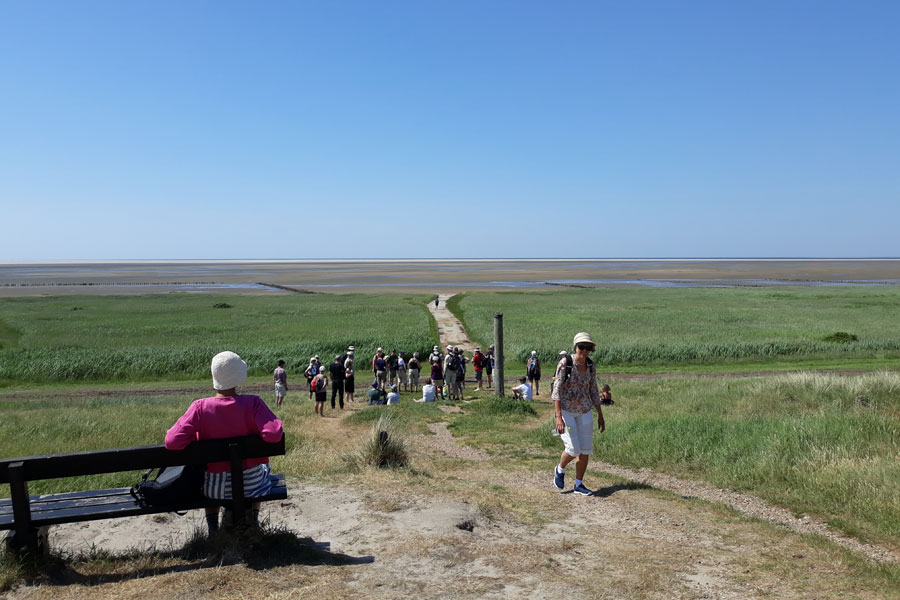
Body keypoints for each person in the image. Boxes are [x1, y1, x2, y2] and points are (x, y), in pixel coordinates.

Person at [165, 351, 283, 533]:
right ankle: (252, 520)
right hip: (252, 485)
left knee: (207, 476)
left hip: (214, 488)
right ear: (239, 376)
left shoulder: (200, 407)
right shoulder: (253, 403)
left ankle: (213, 529)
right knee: (263, 469)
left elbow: (172, 441)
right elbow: (273, 434)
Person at [552, 332, 605, 496]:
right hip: (567, 411)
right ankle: (560, 469)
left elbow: (593, 389)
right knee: (573, 449)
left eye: (588, 347)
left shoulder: (591, 365)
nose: (585, 350)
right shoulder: (566, 363)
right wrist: (559, 417)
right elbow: (556, 390)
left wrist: (600, 414)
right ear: (575, 347)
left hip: (585, 411)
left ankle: (579, 484)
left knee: (585, 449)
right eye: (582, 346)